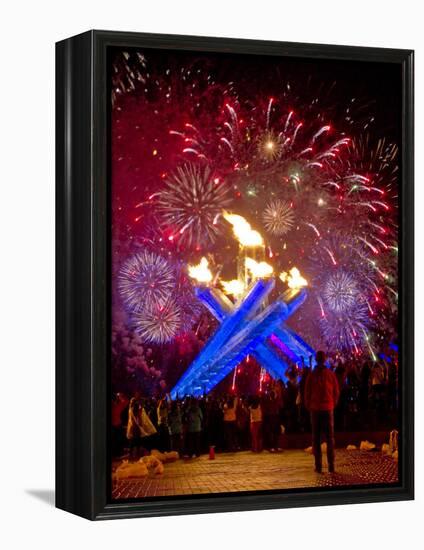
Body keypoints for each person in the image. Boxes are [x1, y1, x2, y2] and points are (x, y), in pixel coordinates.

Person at [304, 351, 340, 473]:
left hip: (315, 409)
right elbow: (336, 391)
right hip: (327, 409)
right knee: (330, 438)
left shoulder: (312, 375)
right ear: (324, 359)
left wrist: (309, 405)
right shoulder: (330, 374)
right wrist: (332, 404)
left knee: (316, 438)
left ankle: (318, 466)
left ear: (316, 359)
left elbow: (307, 392)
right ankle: (331, 465)